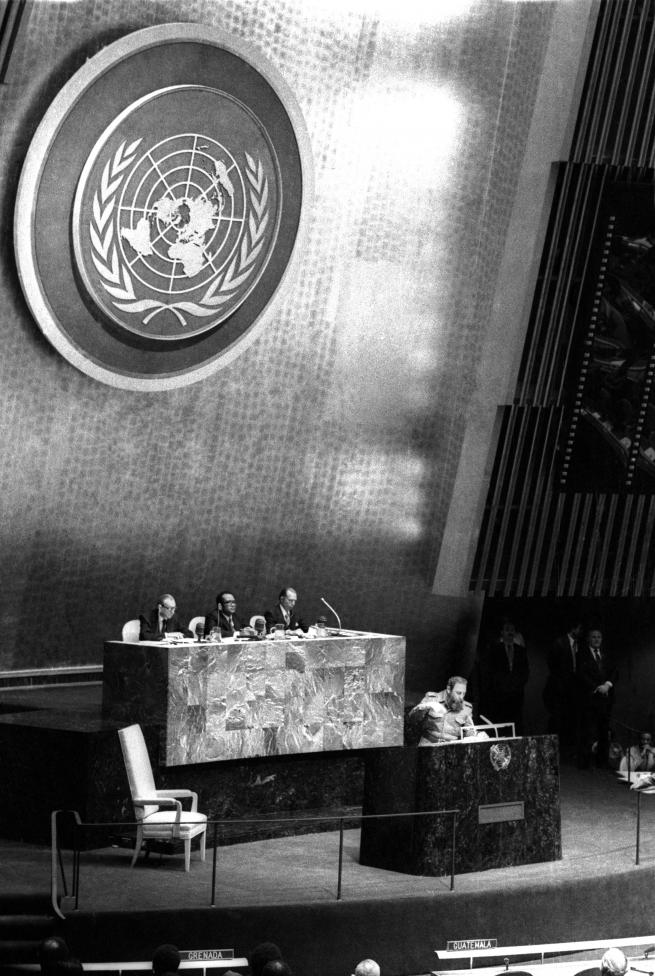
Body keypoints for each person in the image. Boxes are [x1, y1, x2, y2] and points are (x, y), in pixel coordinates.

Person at [477, 618, 529, 734]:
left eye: (512, 630)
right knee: (500, 727)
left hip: (516, 697)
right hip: (498, 697)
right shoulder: (494, 649)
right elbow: (489, 672)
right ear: (502, 632)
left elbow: (525, 672)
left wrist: (515, 686)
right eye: (507, 630)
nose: (510, 632)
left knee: (515, 727)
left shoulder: (521, 651)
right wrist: (502, 686)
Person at [576, 624, 618, 768]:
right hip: (589, 699)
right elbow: (581, 675)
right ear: (588, 639)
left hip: (606, 699)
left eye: (599, 637)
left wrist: (607, 685)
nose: (596, 639)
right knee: (588, 730)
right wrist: (597, 687)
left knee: (604, 731)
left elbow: (614, 672)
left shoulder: (606, 655)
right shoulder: (581, 655)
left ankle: (602, 762)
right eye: (593, 637)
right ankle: (586, 763)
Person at [543, 618, 582, 760]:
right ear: (573, 629)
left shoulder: (578, 645)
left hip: (571, 691)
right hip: (558, 690)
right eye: (579, 629)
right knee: (557, 721)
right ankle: (551, 751)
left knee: (568, 721)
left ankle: (565, 752)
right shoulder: (560, 644)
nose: (581, 632)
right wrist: (560, 683)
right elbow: (553, 664)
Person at [408, 676, 477, 745]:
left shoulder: (467, 708)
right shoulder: (432, 699)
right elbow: (412, 719)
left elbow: (468, 731)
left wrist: (472, 733)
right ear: (449, 689)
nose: (461, 697)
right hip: (429, 744)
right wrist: (423, 707)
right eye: (458, 693)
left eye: (464, 693)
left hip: (452, 747)